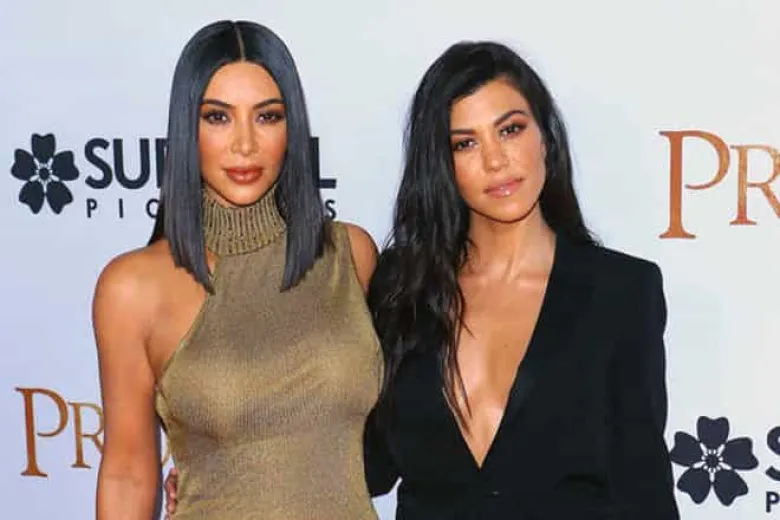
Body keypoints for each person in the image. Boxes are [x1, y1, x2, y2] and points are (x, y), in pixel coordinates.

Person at [165, 40, 680, 519]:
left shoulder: (620, 292)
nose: (495, 160)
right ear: (442, 164)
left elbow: (644, 486)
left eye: (510, 129)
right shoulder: (398, 286)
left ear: (545, 135)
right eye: (465, 143)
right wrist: (221, 469)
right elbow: (359, 461)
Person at [93, 20, 382, 520]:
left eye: (267, 116)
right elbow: (127, 474)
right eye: (218, 117)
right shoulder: (133, 288)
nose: (245, 144)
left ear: (292, 128)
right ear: (187, 128)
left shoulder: (351, 255)